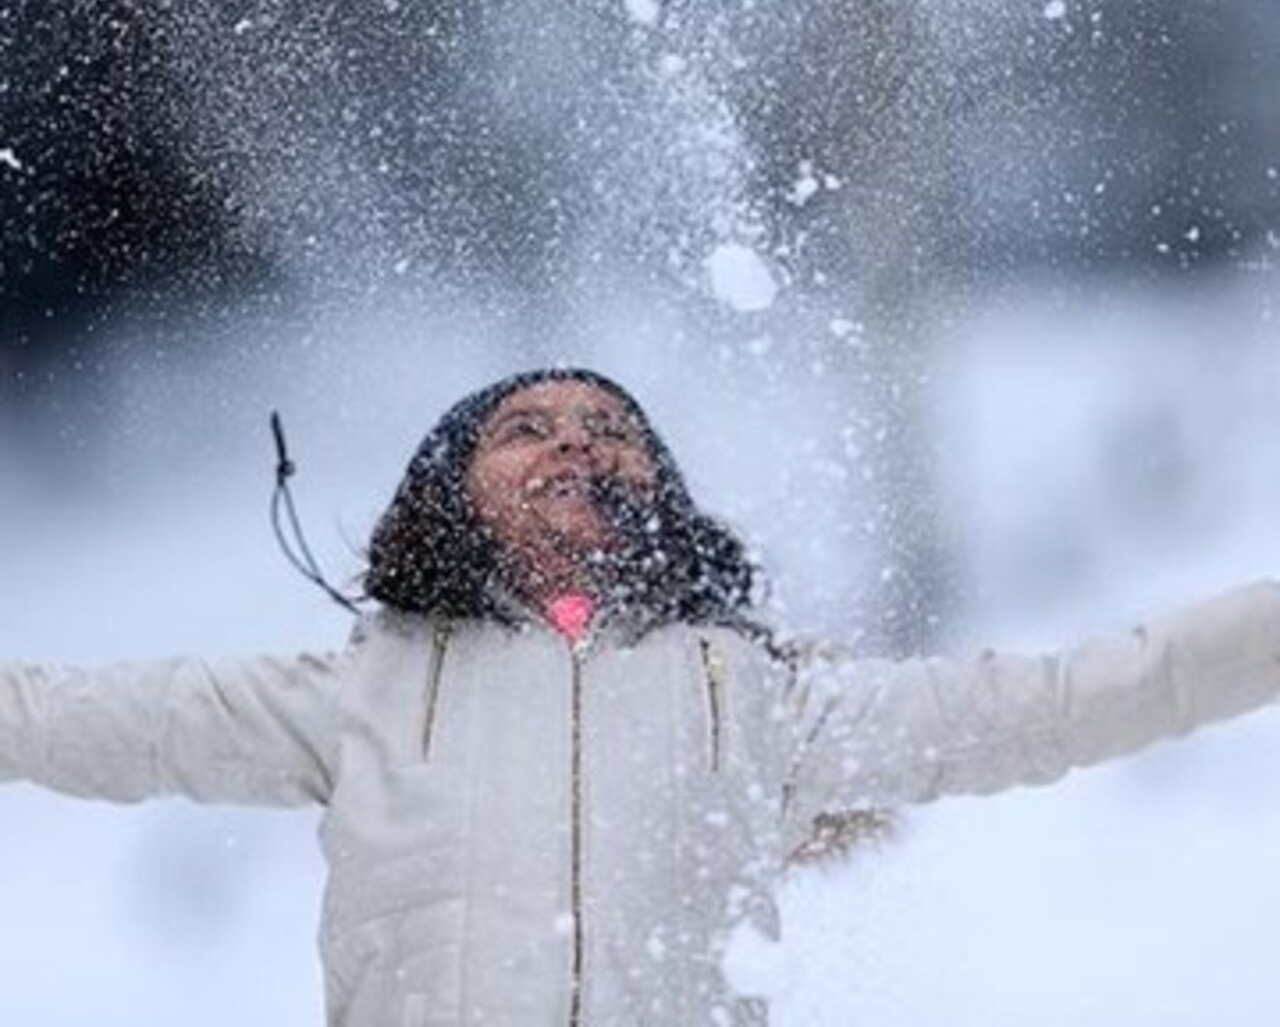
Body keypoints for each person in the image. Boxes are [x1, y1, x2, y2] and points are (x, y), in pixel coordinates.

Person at [2, 365, 1279, 1026]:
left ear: (659, 491)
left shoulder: (760, 699)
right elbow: (78, 714)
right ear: (449, 497)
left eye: (609, 426)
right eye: (524, 427)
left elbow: (1061, 699)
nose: (574, 438)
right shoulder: (361, 693)